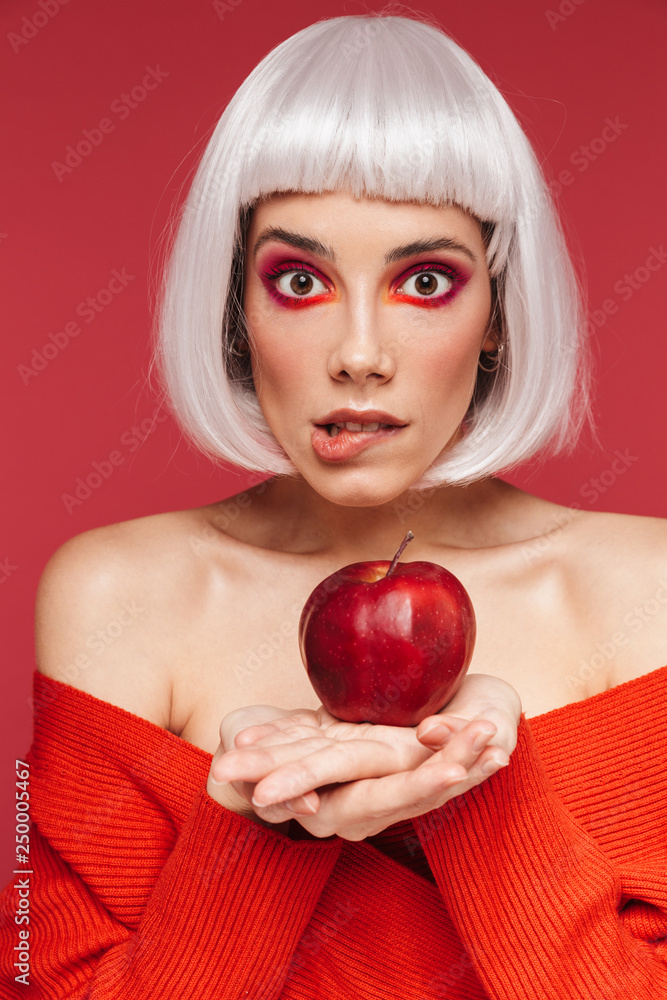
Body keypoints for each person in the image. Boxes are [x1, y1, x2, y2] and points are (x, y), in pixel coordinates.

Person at [2, 11, 666, 999]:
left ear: (497, 314)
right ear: (237, 307)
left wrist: (480, 784)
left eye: (426, 280)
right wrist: (258, 826)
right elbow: (36, 976)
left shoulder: (644, 592)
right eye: (301, 279)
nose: (359, 353)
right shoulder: (113, 597)